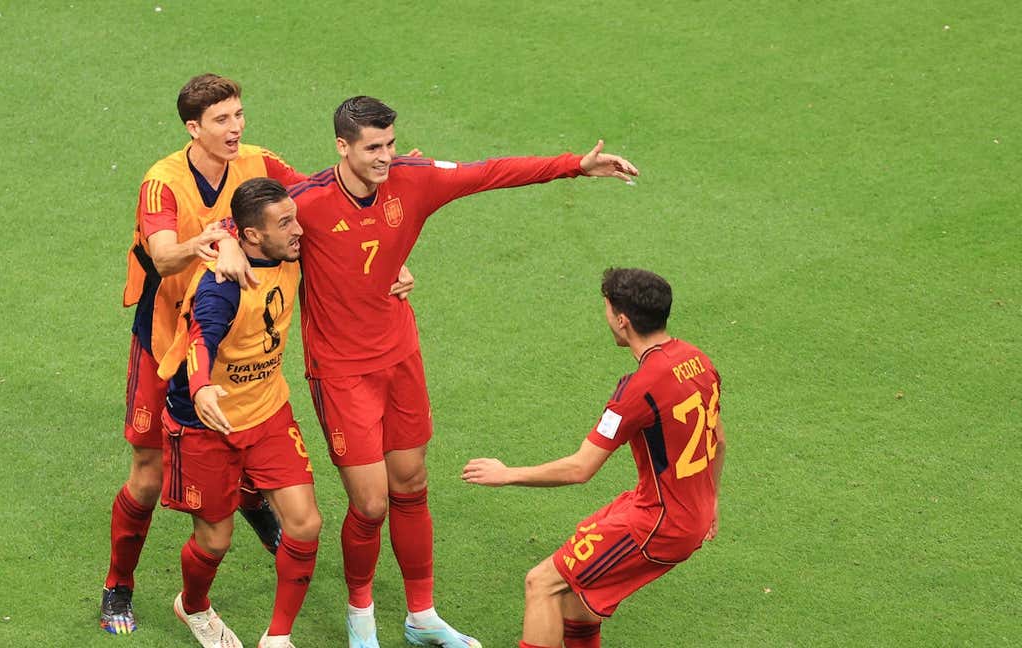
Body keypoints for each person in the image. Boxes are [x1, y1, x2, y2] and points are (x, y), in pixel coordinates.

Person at [227, 96, 639, 648]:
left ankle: (422, 616)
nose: (386, 157)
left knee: (412, 485)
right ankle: (361, 619)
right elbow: (249, 228)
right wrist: (221, 247)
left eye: (391, 144)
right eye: (373, 147)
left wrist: (575, 165)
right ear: (342, 147)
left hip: (400, 357)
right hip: (342, 372)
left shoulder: (412, 180)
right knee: (370, 504)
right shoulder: (309, 203)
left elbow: (489, 173)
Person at [101, 73, 306, 635]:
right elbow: (165, 258)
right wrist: (221, 240)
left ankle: (248, 498)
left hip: (232, 334)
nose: (236, 128)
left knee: (247, 418)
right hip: (166, 334)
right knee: (146, 473)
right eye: (221, 119)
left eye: (239, 114)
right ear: (193, 128)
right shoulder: (162, 182)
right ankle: (119, 583)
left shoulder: (260, 162)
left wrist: (388, 185)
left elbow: (315, 200)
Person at [461, 268, 725, 648]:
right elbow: (718, 440)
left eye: (606, 309)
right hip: (685, 510)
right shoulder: (699, 360)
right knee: (574, 596)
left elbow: (581, 468)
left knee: (542, 584)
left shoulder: (638, 388)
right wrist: (710, 500)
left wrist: (507, 474)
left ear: (623, 320)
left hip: (660, 523)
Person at [156, 177, 320, 648]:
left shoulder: (286, 250)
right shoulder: (222, 284)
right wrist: (203, 387)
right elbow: (199, 338)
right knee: (214, 542)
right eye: (285, 223)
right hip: (204, 422)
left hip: (268, 411)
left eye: (294, 217)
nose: (298, 230)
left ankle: (278, 638)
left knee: (305, 524)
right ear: (251, 235)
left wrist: (398, 268)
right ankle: (193, 607)